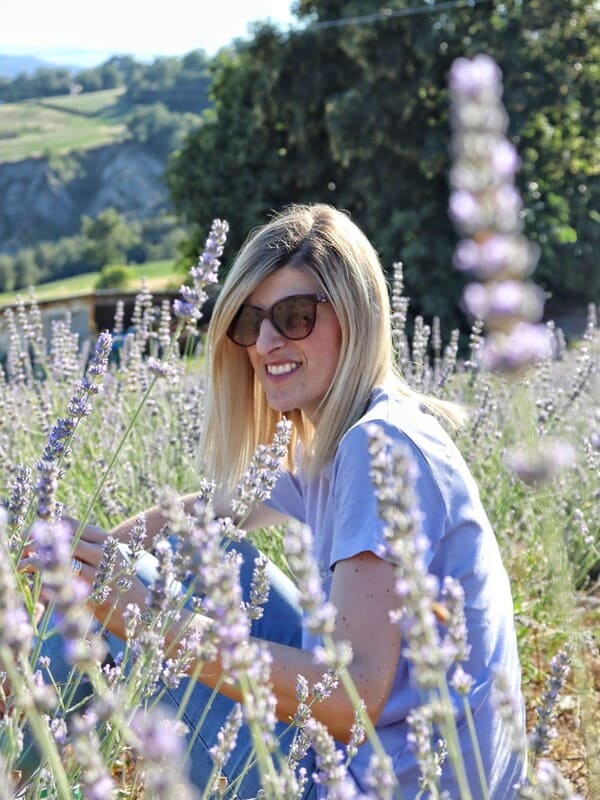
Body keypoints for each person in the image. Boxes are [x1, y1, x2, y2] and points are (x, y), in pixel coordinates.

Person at [28, 204, 526, 798]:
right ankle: (28, 724)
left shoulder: (379, 447)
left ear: (357, 317)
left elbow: (354, 697)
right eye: (247, 320)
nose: (264, 343)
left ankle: (25, 758)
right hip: (399, 763)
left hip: (395, 784)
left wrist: (150, 621)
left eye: (293, 316)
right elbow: (203, 513)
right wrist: (95, 557)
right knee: (194, 558)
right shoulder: (341, 443)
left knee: (142, 617)